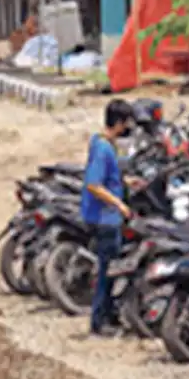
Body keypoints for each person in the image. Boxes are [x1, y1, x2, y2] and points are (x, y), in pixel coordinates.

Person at [83, 99, 136, 336]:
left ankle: (109, 314)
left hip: (107, 216)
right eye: (126, 123)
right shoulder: (104, 149)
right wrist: (119, 204)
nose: (128, 128)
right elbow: (94, 184)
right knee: (107, 270)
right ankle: (99, 321)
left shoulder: (102, 142)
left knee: (111, 267)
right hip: (105, 217)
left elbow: (108, 178)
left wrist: (126, 183)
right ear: (119, 123)